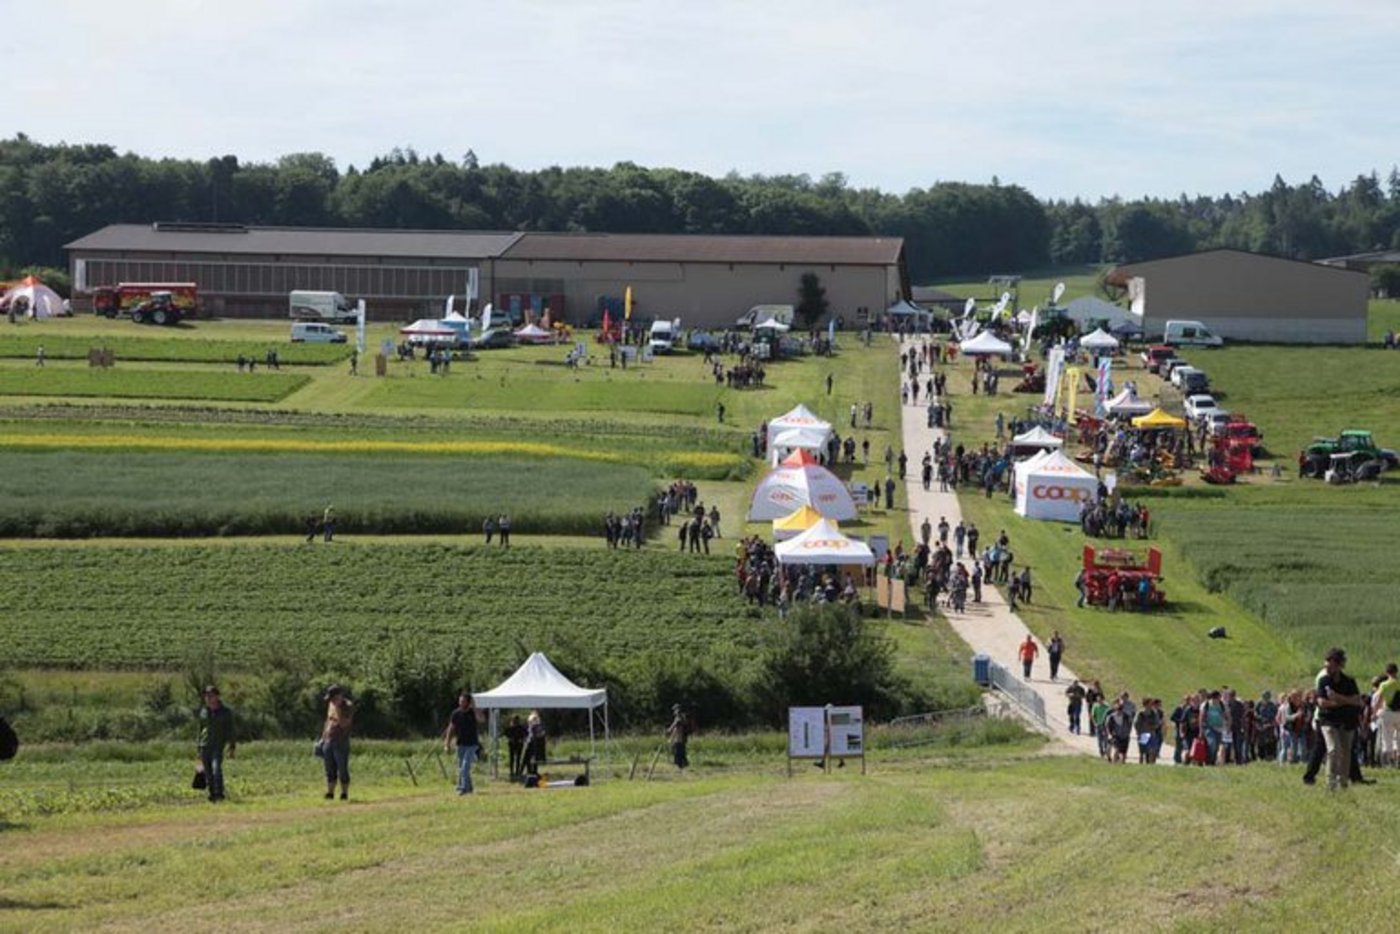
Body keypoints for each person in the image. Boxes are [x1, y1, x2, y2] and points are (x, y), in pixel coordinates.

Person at [1314, 647, 1364, 790]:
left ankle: (1343, 781)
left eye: (1330, 666)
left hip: (1347, 721)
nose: (1327, 669)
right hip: (1328, 720)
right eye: (1326, 666)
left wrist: (1337, 698)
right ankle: (1331, 782)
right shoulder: (1323, 681)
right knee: (1333, 749)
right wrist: (1342, 702)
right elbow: (1322, 702)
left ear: (1339, 665)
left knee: (1346, 751)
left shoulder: (1349, 682)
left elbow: (1357, 700)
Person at [195, 685, 236, 803]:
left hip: (217, 746)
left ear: (217, 697)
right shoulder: (203, 711)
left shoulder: (226, 712)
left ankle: (219, 794)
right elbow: (200, 729)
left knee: (216, 769)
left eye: (211, 696)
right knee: (207, 773)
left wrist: (232, 746)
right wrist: (198, 746)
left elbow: (231, 730)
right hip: (204, 745)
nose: (208, 698)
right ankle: (212, 794)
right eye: (206, 696)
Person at [443, 692, 482, 795]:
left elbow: (481, 719)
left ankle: (463, 788)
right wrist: (447, 743)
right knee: (461, 767)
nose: (460, 703)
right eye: (460, 701)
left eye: (463, 701)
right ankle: (468, 788)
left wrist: (474, 706)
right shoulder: (455, 713)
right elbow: (451, 728)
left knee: (465, 767)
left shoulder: (473, 712)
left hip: (472, 744)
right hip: (460, 744)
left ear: (468, 702)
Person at [321, 684, 354, 800]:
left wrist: (338, 709)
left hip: (341, 742)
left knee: (342, 768)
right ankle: (330, 792)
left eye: (334, 698)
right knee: (329, 768)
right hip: (329, 740)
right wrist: (323, 737)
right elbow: (328, 720)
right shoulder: (330, 704)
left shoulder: (347, 706)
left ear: (339, 696)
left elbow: (344, 724)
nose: (332, 701)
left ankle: (344, 793)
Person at [667, 704, 693, 770]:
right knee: (680, 750)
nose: (674, 712)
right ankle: (683, 764)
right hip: (681, 738)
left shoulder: (679, 717)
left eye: (674, 710)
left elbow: (675, 724)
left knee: (678, 751)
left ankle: (680, 764)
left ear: (677, 710)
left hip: (679, 738)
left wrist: (669, 730)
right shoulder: (682, 717)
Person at [504, 714, 528, 780]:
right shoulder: (515, 727)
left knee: (513, 759)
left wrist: (521, 739)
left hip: (515, 744)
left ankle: (513, 771)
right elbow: (526, 734)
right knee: (517, 758)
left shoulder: (513, 727)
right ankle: (515, 771)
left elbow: (506, 733)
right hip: (516, 744)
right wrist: (522, 739)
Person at [523, 711, 547, 775]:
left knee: (534, 758)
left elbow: (540, 734)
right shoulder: (531, 727)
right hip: (530, 742)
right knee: (528, 758)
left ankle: (533, 771)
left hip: (534, 743)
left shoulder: (536, 727)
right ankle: (530, 770)